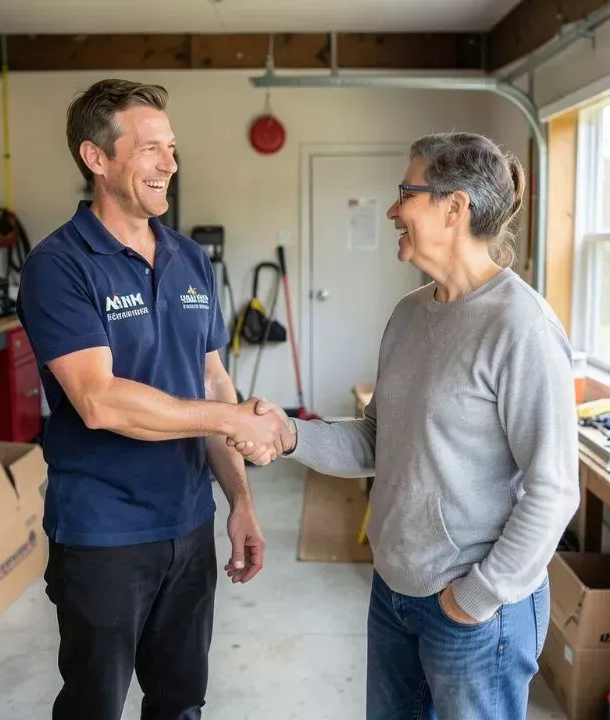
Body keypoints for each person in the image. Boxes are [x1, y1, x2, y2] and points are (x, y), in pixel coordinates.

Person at [231, 132, 580, 719]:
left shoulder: (520, 326)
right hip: (395, 590)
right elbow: (377, 439)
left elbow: (554, 489)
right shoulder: (410, 313)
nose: (393, 209)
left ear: (455, 207)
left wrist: (473, 599)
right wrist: (289, 433)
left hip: (474, 612)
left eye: (405, 193)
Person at [16, 78, 291, 720]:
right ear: (96, 157)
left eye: (171, 147)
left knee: (181, 702)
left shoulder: (191, 259)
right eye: (149, 149)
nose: (170, 163)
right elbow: (98, 400)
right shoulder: (60, 265)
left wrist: (241, 501)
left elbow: (214, 381)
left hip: (189, 522)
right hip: (104, 531)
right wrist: (227, 417)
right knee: (95, 706)